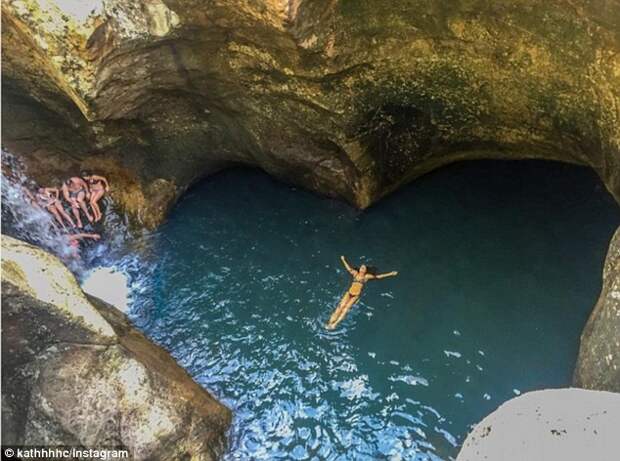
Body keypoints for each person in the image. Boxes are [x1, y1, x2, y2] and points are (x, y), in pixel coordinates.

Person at [326, 256, 398, 330]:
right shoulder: (355, 274)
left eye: (364, 268)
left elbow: (378, 277)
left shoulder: (367, 277)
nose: (362, 268)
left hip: (355, 295)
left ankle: (335, 324)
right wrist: (343, 260)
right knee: (340, 306)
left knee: (346, 309)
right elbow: (348, 268)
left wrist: (390, 274)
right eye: (361, 267)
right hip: (349, 293)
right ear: (359, 269)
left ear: (365, 271)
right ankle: (329, 322)